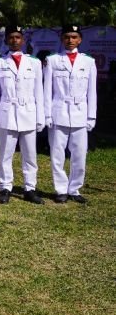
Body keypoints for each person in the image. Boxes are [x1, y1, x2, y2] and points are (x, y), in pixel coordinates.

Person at [44, 24, 97, 203]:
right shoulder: (53, 60)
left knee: (80, 155)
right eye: (67, 37)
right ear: (62, 39)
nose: (70, 40)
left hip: (80, 113)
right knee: (57, 154)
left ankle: (74, 189)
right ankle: (61, 190)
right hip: (58, 112)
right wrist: (47, 114)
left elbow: (92, 92)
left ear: (80, 40)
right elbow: (47, 90)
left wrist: (91, 116)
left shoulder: (88, 62)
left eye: (74, 37)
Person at [0, 25, 45, 204]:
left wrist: (40, 117)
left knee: (30, 155)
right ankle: (5, 187)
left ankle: (30, 188)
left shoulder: (34, 63)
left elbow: (39, 92)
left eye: (18, 37)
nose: (14, 40)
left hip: (28, 113)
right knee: (5, 155)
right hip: (7, 113)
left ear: (23, 40)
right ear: (6, 40)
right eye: (11, 37)